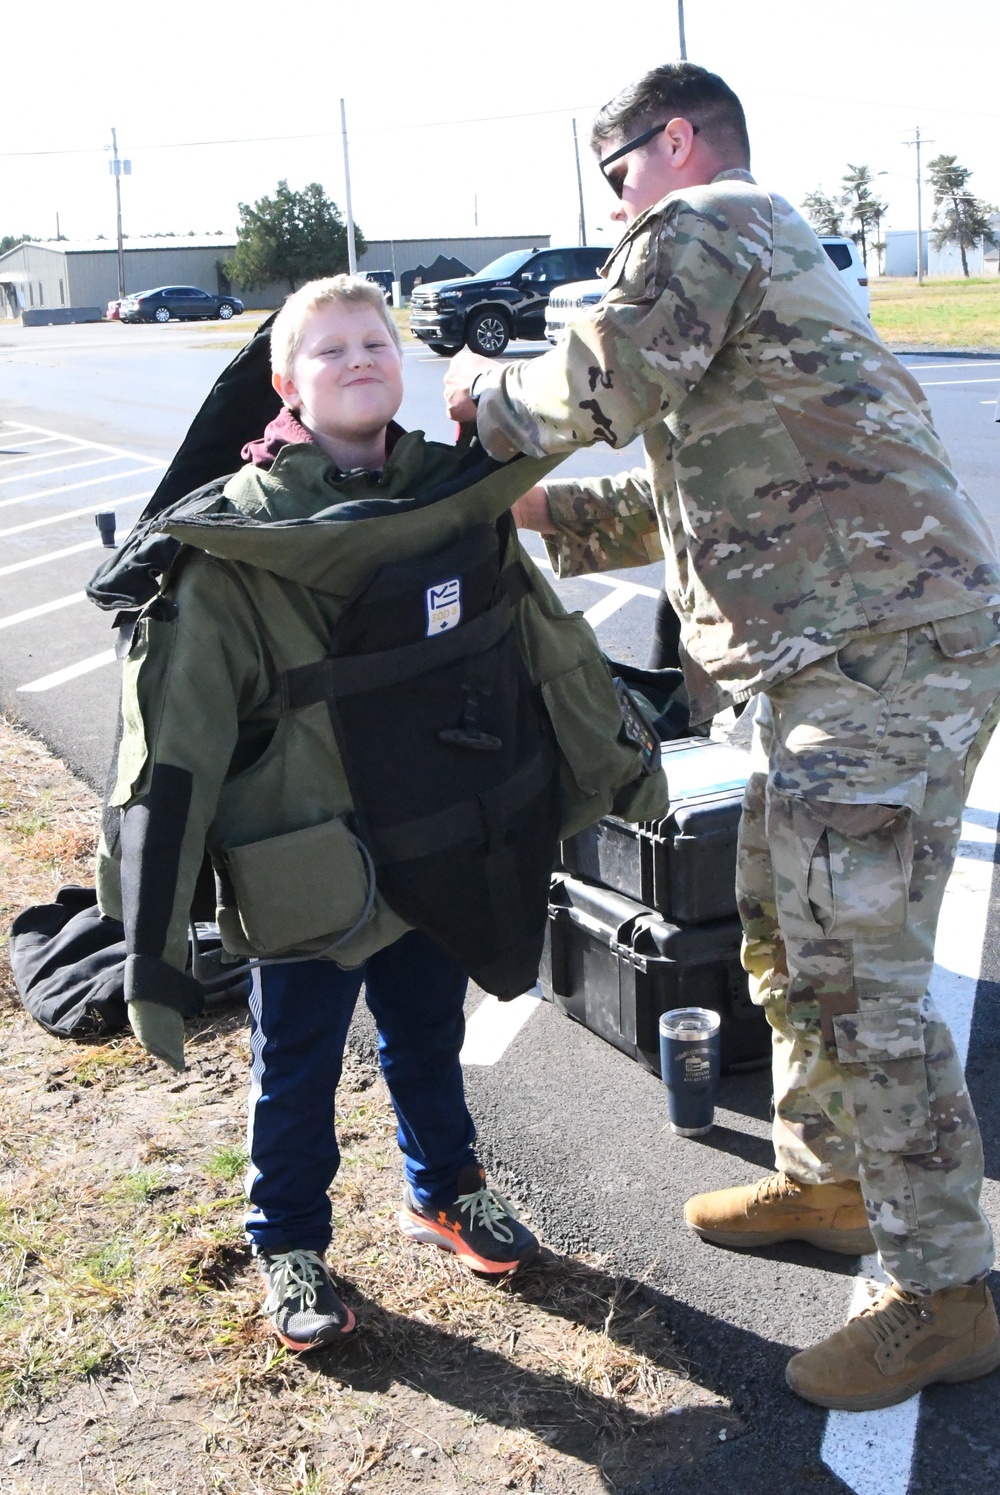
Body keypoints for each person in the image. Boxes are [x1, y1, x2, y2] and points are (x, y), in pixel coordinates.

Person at [444, 61, 1000, 1412]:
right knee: (780, 924)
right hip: (835, 667)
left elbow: (593, 383)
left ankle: (944, 1291)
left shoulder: (711, 221)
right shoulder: (749, 269)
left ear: (674, 143)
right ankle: (833, 1179)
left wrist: (476, 394)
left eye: (618, 170)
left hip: (877, 664)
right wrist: (521, 518)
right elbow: (688, 505)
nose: (615, 203)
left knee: (862, 974)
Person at [97, 274, 665, 1353]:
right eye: (329, 348)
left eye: (375, 340)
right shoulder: (228, 557)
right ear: (282, 383)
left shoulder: (452, 505)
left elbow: (548, 645)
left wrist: (625, 764)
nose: (358, 358)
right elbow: (170, 757)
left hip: (434, 847)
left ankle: (444, 1188)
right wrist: (151, 946)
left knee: (425, 1039)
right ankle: (288, 1239)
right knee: (297, 1068)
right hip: (307, 874)